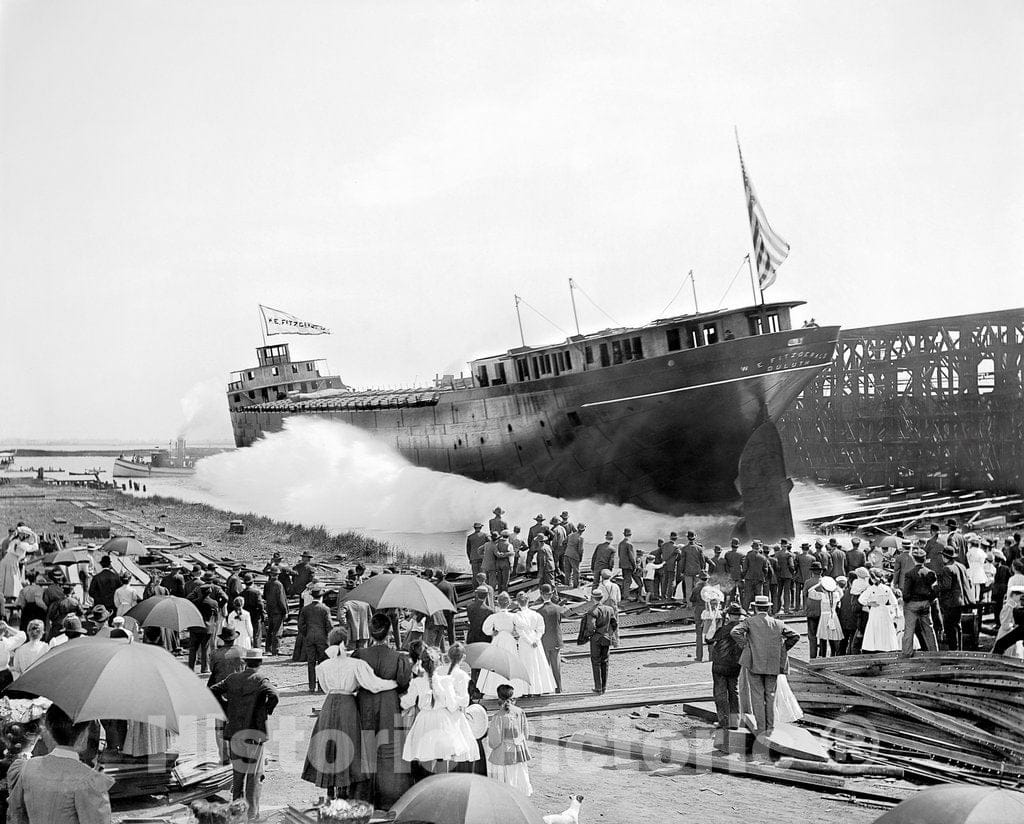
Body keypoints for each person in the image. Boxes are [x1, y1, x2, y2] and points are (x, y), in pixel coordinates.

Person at [302, 628, 399, 798]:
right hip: (347, 704)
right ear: (345, 642)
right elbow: (373, 685)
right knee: (349, 744)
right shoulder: (355, 664)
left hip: (330, 703)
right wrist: (393, 683)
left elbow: (325, 688)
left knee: (328, 743)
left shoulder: (322, 666)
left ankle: (330, 789)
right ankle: (344, 788)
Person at [7, 703, 114, 824]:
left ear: (49, 730)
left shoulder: (26, 768)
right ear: (84, 735)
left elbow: (15, 816)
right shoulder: (88, 780)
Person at [351, 613, 414, 809]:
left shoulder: (359, 655)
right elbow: (404, 684)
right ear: (388, 633)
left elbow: (353, 682)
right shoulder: (398, 657)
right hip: (388, 704)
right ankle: (389, 799)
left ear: (370, 631)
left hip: (365, 703)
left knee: (365, 749)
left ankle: (363, 798)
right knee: (389, 751)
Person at [209, 649, 279, 820]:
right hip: (255, 733)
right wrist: (265, 710)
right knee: (254, 775)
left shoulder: (232, 678)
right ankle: (252, 813)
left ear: (245, 662)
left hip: (235, 731)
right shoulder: (261, 679)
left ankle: (236, 812)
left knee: (238, 773)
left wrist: (226, 706)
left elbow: (212, 689)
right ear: (260, 663)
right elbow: (274, 695)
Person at [730, 595, 799, 736]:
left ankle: (760, 728)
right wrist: (783, 649)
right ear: (768, 608)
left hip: (754, 663)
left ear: (755, 608)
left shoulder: (749, 622)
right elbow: (795, 636)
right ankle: (770, 727)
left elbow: (734, 632)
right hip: (773, 664)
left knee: (757, 696)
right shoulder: (778, 623)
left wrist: (746, 646)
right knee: (770, 696)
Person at [401, 646, 476, 772]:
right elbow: (452, 705)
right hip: (443, 720)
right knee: (443, 755)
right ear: (438, 664)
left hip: (424, 720)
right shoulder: (446, 681)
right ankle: (442, 784)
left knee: (426, 754)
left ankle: (430, 783)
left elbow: (406, 703)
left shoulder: (417, 682)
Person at [476, 593, 527, 697]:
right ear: (509, 603)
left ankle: (494, 688)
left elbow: (485, 629)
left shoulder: (494, 616)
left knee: (496, 663)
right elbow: (523, 625)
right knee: (510, 663)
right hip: (509, 639)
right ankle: (511, 688)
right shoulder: (513, 616)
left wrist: (492, 632)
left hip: (498, 639)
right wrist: (514, 631)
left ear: (498, 603)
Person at [486, 684, 532, 796]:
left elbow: (494, 741)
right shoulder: (520, 712)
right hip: (519, 751)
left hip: (504, 753)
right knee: (519, 775)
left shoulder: (498, 716)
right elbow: (526, 733)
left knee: (505, 780)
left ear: (499, 698)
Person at [208, 627, 245, 764]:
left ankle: (224, 758)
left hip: (220, 693)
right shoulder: (242, 652)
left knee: (220, 728)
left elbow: (213, 670)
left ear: (222, 639)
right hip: (238, 694)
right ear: (234, 638)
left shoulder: (215, 654)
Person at [512, 592, 556, 696]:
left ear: (518, 603)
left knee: (526, 664)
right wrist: (536, 639)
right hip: (535, 640)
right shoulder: (536, 615)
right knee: (538, 663)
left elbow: (520, 632)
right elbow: (541, 629)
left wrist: (529, 641)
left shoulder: (517, 616)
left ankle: (526, 690)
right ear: (528, 602)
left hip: (525, 642)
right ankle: (538, 688)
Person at [709, 604, 745, 729]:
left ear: (729, 616)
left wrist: (715, 623)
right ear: (740, 616)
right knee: (734, 693)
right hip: (735, 665)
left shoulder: (723, 629)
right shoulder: (743, 630)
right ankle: (735, 722)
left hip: (720, 664)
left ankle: (723, 721)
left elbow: (708, 639)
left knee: (720, 693)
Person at [577, 588, 617, 694]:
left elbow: (591, 627)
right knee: (605, 662)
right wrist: (610, 634)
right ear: (602, 598)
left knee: (596, 663)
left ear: (592, 598)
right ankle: (604, 687)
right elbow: (614, 624)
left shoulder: (592, 611)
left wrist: (589, 636)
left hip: (596, 639)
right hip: (607, 638)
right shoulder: (610, 609)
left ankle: (598, 687)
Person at [936, 546, 974, 651]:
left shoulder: (947, 568)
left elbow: (946, 586)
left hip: (950, 602)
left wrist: (935, 587)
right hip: (961, 600)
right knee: (957, 625)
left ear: (944, 557)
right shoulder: (961, 566)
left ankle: (954, 650)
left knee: (950, 627)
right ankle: (959, 649)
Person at [299, 586, 333, 693]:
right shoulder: (325, 609)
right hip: (322, 638)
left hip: (309, 637)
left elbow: (300, 625)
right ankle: (321, 686)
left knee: (311, 662)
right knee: (322, 662)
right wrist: (329, 636)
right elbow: (329, 625)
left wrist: (306, 633)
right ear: (321, 597)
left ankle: (311, 686)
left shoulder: (305, 609)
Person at [858, 569, 900, 652]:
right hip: (884, 609)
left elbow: (861, 600)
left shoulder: (870, 589)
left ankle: (875, 646)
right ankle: (885, 646)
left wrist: (869, 603)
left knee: (875, 627)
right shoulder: (887, 588)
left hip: (875, 610)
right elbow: (894, 602)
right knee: (885, 628)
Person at [534, 584, 565, 693]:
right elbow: (559, 622)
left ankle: (546, 688)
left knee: (545, 665)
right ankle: (558, 687)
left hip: (544, 641)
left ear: (541, 594)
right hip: (556, 639)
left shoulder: (539, 611)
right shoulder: (558, 609)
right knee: (556, 665)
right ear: (551, 594)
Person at [807, 576, 843, 657]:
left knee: (823, 638)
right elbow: (841, 592)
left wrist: (819, 584)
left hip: (824, 617)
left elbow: (810, 592)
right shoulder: (836, 594)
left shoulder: (822, 595)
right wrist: (834, 585)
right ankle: (834, 655)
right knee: (833, 637)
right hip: (833, 616)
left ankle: (823, 656)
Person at [263, 567, 288, 655]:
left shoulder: (267, 584)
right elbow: (281, 599)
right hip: (278, 611)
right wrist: (285, 611)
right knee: (277, 631)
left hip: (270, 610)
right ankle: (276, 649)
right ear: (277, 575)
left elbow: (265, 597)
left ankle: (268, 649)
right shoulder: (279, 585)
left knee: (270, 630)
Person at [0, 620, 26, 691]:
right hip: (4, 674)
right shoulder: (6, 643)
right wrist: (8, 627)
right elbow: (22, 636)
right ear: (3, 632)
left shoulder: (6, 643)